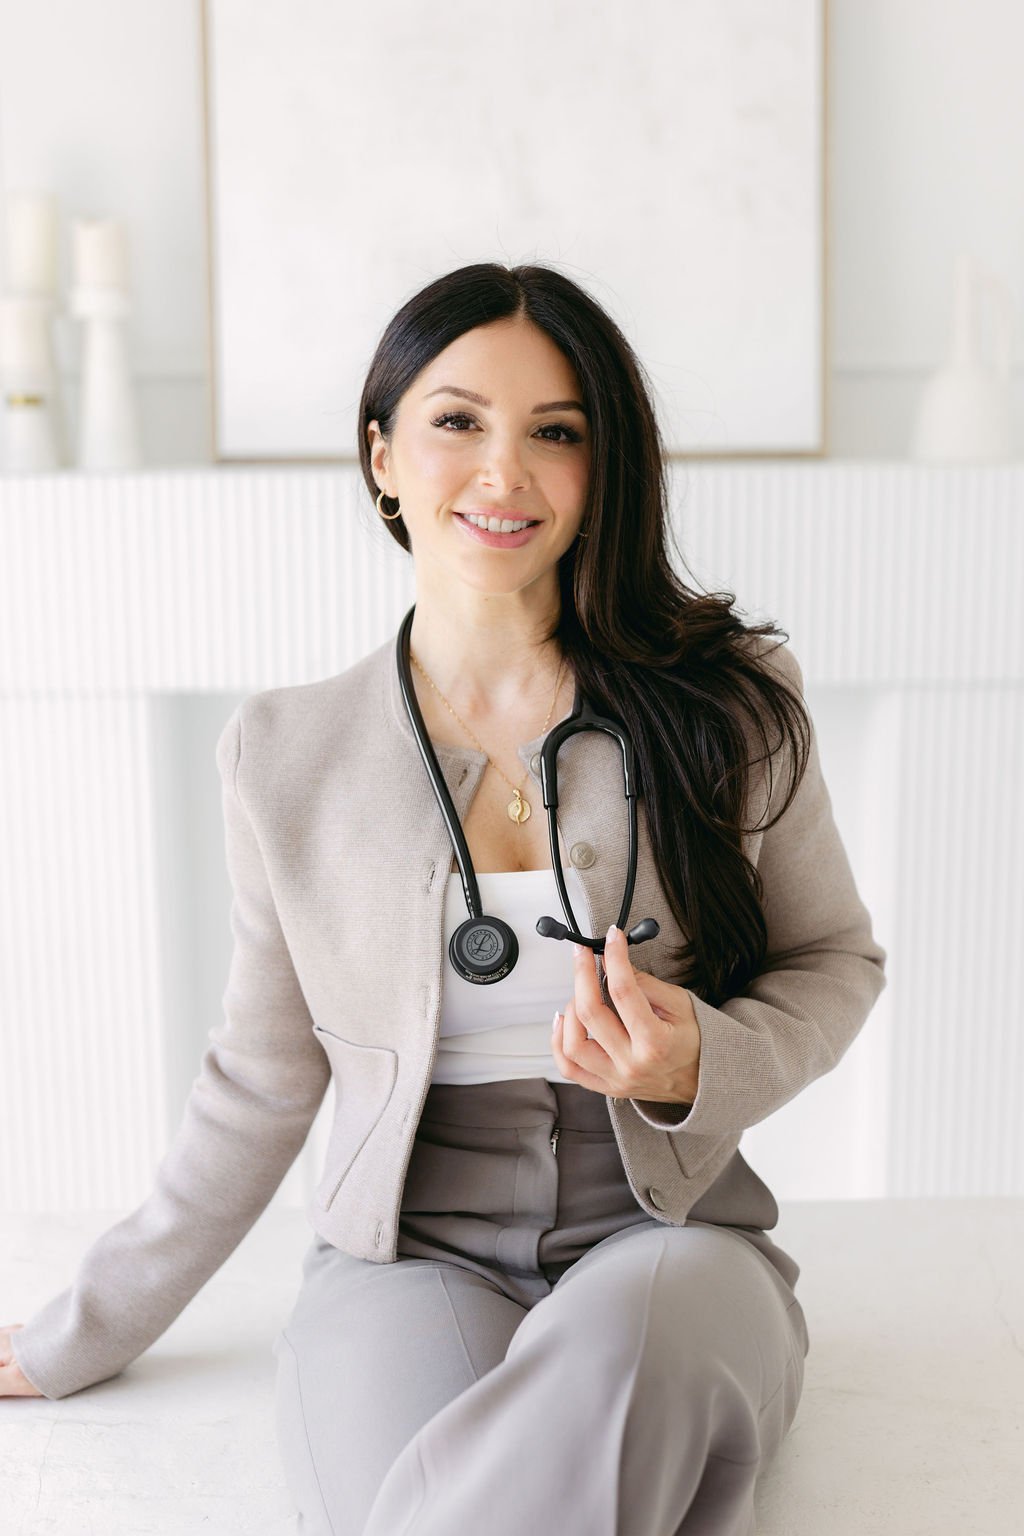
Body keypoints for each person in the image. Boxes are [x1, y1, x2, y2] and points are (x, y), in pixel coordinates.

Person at [1, 262, 886, 1535]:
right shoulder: (285, 754)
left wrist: (705, 1055)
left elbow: (832, 961)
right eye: (458, 421)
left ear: (605, 466)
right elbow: (258, 1082)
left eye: (556, 433)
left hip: (669, 1245)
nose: (503, 474)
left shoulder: (732, 703)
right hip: (406, 1262)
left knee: (649, 1338)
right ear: (382, 456)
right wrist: (89, 1326)